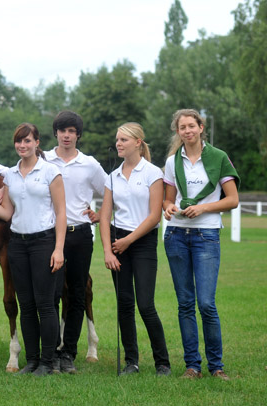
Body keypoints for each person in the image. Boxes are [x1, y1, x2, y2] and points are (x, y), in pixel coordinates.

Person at [0, 123, 66, 377]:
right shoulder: (11, 175)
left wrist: (58, 248)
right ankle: (32, 361)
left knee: (45, 305)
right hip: (18, 244)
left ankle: (48, 362)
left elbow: (61, 213)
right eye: (19, 141)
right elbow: (6, 213)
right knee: (25, 305)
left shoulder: (50, 171)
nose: (22, 145)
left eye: (27, 141)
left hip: (44, 242)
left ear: (37, 142)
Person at [163, 109, 239, 381]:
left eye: (191, 126)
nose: (187, 131)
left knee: (206, 303)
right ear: (178, 131)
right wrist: (169, 207)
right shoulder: (173, 162)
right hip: (176, 235)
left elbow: (232, 200)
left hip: (206, 235)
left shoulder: (218, 157)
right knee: (185, 304)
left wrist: (203, 208)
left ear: (201, 127)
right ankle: (192, 366)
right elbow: (168, 199)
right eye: (182, 127)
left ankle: (216, 366)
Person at [99, 122, 171, 376]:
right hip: (117, 243)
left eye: (123, 140)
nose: (118, 144)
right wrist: (108, 251)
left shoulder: (152, 173)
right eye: (117, 140)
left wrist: (128, 241)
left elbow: (154, 216)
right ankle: (132, 361)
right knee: (124, 304)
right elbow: (105, 216)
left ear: (138, 142)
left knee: (145, 304)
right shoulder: (112, 176)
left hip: (142, 243)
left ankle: (162, 362)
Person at [45, 111, 107, 373]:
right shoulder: (44, 159)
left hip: (81, 235)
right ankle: (52, 350)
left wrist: (101, 214)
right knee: (53, 293)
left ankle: (69, 352)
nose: (67, 135)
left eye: (71, 131)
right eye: (62, 130)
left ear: (78, 135)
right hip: (50, 235)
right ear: (56, 133)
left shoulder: (89, 164)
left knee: (78, 294)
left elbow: (111, 193)